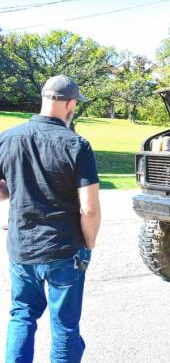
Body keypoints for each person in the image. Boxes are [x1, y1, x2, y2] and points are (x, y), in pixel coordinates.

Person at [0, 75, 101, 363]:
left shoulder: (7, 138)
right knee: (65, 325)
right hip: (65, 248)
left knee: (21, 316)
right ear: (70, 104)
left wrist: (16, 187)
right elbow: (89, 208)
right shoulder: (77, 145)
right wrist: (89, 242)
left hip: (22, 246)